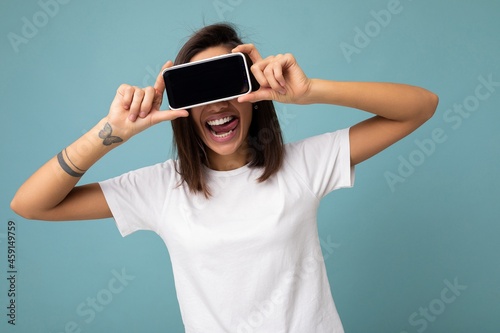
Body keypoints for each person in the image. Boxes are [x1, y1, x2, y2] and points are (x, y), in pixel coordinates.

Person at [11, 23, 438, 332]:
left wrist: (311, 91)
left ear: (256, 98)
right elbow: (30, 204)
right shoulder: (161, 188)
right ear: (184, 108)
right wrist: (110, 133)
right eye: (201, 91)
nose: (218, 104)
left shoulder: (304, 164)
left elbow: (421, 106)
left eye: (228, 84)